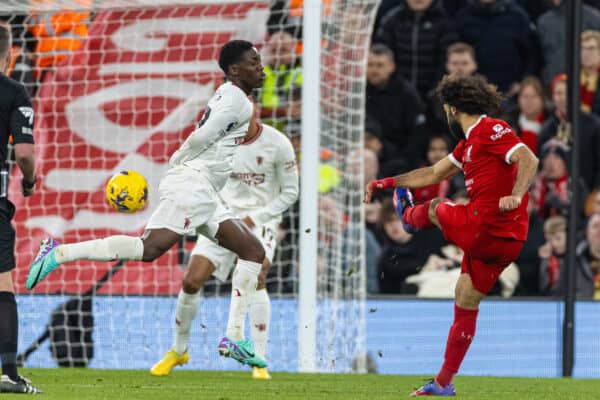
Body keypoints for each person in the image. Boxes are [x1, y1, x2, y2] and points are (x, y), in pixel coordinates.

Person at [26, 40, 269, 367]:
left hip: (206, 191)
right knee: (149, 249)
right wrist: (181, 157)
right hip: (193, 185)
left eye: (260, 61)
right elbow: (205, 133)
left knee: (253, 252)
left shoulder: (231, 93)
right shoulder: (237, 100)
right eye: (254, 62)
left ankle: (234, 336)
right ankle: (58, 253)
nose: (261, 67)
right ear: (234, 70)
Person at [364, 74, 539, 396]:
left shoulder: (490, 129)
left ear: (452, 108)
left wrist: (516, 194)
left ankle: (409, 218)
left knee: (436, 207)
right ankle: (443, 382)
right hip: (504, 243)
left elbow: (528, 157)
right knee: (465, 297)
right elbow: (432, 172)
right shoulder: (468, 144)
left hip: (487, 226)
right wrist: (386, 183)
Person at [150, 104, 299, 380]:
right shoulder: (217, 143)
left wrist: (256, 217)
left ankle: (259, 360)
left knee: (258, 274)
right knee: (191, 281)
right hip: (222, 216)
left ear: (254, 115)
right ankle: (179, 350)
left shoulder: (278, 144)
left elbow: (291, 192)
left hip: (260, 220)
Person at [0, 22, 42, 394]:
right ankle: (8, 375)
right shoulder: (14, 91)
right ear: (9, 54)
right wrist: (28, 181)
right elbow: (25, 153)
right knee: (2, 286)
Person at [375, 0, 458, 100]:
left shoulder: (445, 21)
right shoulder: (391, 20)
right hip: (396, 95)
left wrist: (436, 90)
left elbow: (447, 60)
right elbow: (383, 54)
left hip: (436, 96)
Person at [456, 0, 539, 94]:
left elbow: (532, 54)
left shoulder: (517, 16)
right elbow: (456, 53)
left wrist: (522, 82)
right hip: (474, 92)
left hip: (510, 93)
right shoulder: (464, 16)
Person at [365, 43, 425, 169]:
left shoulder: (407, 94)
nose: (374, 70)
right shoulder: (359, 93)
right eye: (370, 65)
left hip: (398, 162)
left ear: (391, 67)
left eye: (379, 65)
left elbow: (416, 137)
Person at [537, 0, 600, 86]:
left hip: (586, 85)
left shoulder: (593, 18)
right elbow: (538, 56)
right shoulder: (543, 22)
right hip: (552, 85)